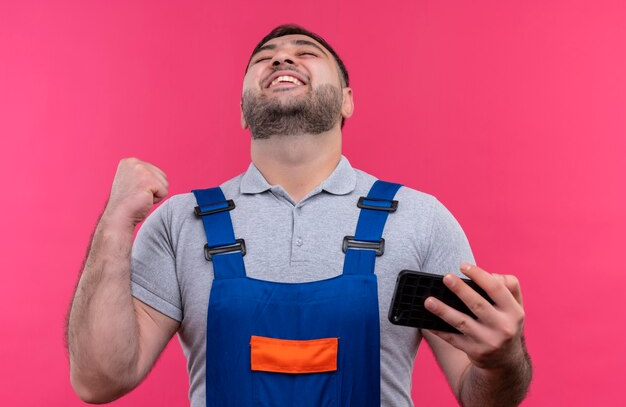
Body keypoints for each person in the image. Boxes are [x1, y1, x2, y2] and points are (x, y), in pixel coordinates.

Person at [67, 24, 532, 406]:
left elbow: (483, 398)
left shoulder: (418, 217)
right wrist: (115, 223)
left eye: (305, 53)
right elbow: (99, 380)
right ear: (244, 110)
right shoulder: (178, 222)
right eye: (265, 57)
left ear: (348, 99)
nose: (282, 59)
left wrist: (502, 360)